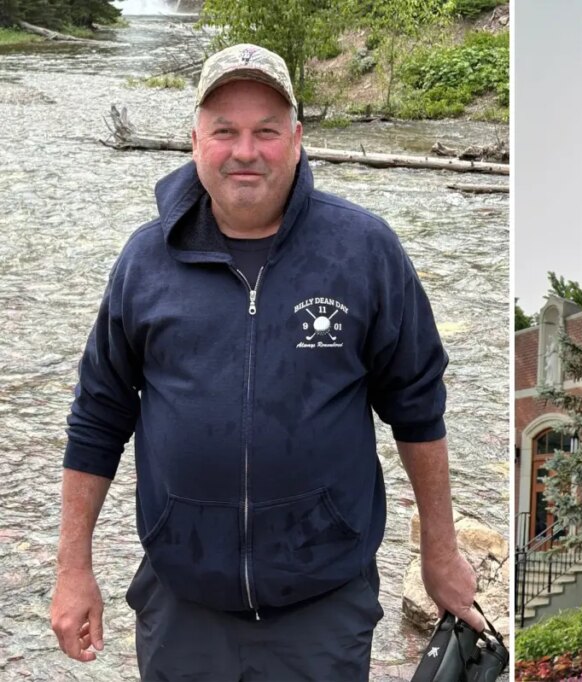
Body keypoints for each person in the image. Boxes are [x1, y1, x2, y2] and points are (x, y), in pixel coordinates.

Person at [49, 43, 485, 680]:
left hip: (322, 610)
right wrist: (72, 569)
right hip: (182, 610)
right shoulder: (144, 262)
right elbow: (97, 417)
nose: (245, 151)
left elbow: (418, 408)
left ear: (299, 138)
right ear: (195, 139)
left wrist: (440, 555)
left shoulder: (363, 250)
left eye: (266, 132)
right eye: (225, 131)